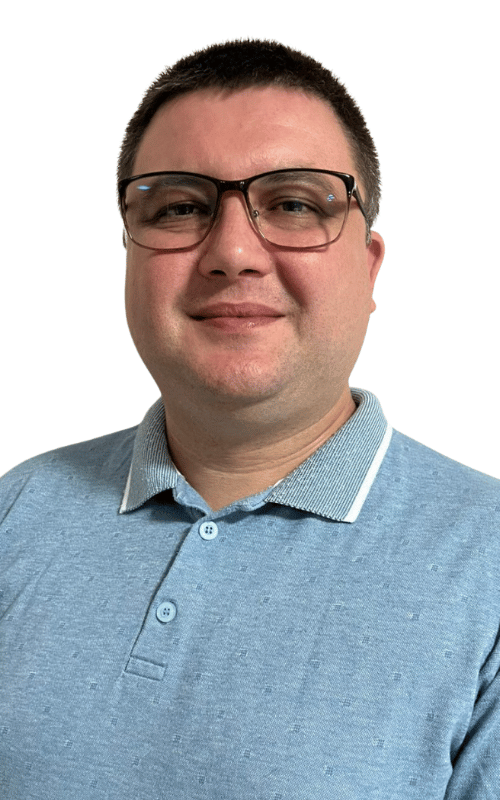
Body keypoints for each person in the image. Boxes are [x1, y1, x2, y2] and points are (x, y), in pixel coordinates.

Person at [1, 39, 499, 800]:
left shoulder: (487, 568)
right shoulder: (16, 513)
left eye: (294, 204)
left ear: (368, 267)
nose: (233, 252)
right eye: (179, 207)